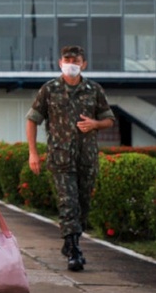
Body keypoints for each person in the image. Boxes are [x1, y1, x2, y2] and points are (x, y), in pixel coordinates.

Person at [26, 45, 114, 272]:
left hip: (87, 158)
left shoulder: (93, 90)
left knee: (83, 205)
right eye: (67, 59)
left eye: (75, 60)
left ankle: (71, 240)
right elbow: (32, 119)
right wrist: (33, 153)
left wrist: (95, 124)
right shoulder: (50, 89)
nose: (71, 63)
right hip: (60, 158)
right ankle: (74, 250)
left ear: (83, 64)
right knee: (68, 202)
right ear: (60, 63)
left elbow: (108, 119)